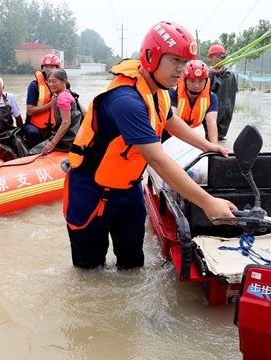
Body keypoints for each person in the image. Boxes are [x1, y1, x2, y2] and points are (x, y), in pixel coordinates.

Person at [64, 21, 238, 269]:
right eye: (175, 61)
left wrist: (206, 146)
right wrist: (208, 203)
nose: (181, 70)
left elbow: (170, 120)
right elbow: (157, 159)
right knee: (90, 271)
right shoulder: (125, 100)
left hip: (128, 188)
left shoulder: (159, 90)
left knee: (132, 264)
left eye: (185, 62)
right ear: (150, 56)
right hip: (91, 191)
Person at [29, 68, 85, 155]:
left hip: (66, 140)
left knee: (32, 153)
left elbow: (66, 122)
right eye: (49, 81)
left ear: (64, 81)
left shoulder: (62, 97)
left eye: (54, 81)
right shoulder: (68, 94)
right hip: (71, 137)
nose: (51, 84)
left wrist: (52, 144)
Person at [163, 60, 219, 143]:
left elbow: (211, 123)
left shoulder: (212, 97)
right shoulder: (173, 93)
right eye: (192, 81)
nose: (196, 85)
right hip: (170, 137)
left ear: (206, 81)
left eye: (200, 81)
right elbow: (172, 119)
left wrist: (215, 147)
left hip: (195, 135)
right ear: (184, 80)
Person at [23, 53, 61, 148]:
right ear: (42, 68)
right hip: (35, 126)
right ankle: (31, 155)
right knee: (32, 132)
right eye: (46, 66)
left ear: (58, 68)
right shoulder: (34, 85)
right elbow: (30, 111)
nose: (48, 69)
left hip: (54, 125)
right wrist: (51, 104)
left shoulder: (63, 85)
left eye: (52, 66)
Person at [207, 44, 238, 141]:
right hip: (210, 113)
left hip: (223, 113)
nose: (210, 59)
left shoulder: (229, 74)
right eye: (209, 57)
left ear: (219, 57)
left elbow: (230, 98)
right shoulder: (209, 73)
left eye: (211, 57)